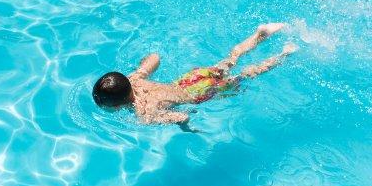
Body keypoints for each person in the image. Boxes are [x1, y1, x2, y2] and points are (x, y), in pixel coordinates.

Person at [92, 23, 297, 125]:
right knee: (230, 60)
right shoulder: (135, 79)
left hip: (199, 93)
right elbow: (155, 57)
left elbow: (181, 117)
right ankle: (260, 34)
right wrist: (141, 69)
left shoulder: (145, 114)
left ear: (117, 106)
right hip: (192, 78)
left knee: (245, 76)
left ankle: (284, 54)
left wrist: (186, 125)